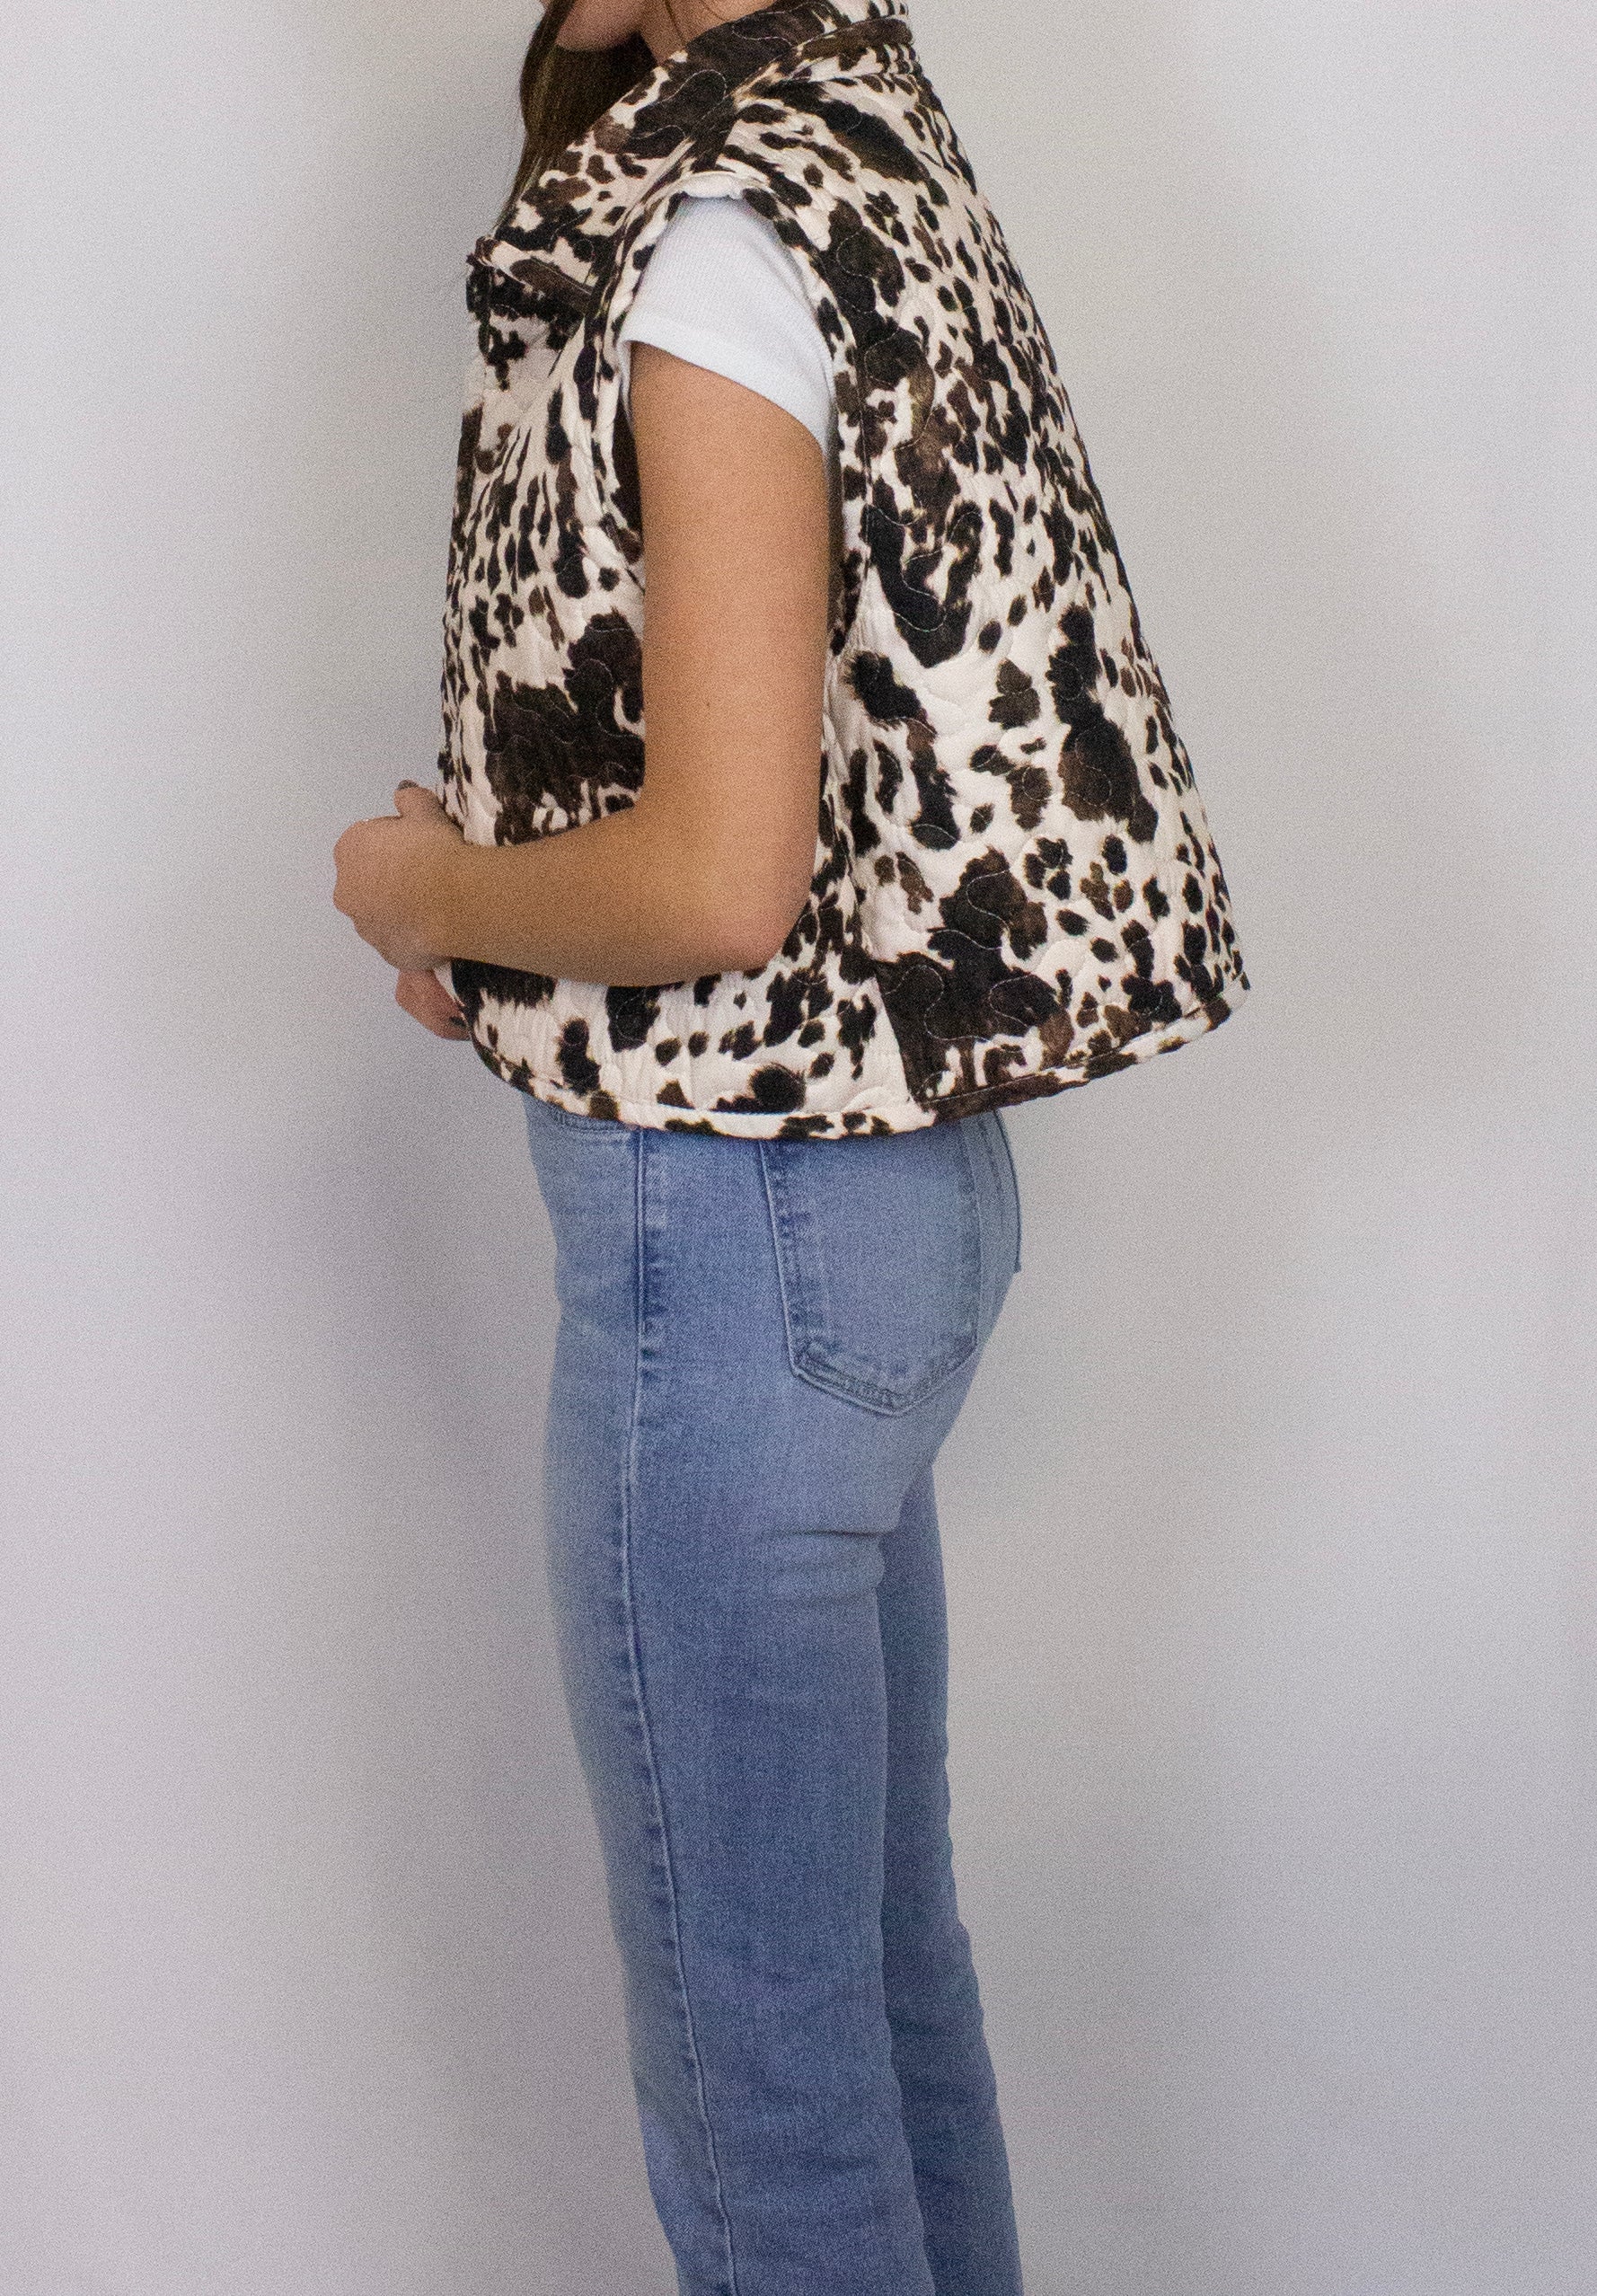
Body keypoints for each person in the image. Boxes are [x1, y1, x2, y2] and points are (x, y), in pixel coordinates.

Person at [331, 0, 1249, 2286]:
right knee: (866, 1994)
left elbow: (716, 886)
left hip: (733, 1233)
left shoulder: (715, 229)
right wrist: (503, 926)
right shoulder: (860, 139)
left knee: (765, 2087)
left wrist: (428, 892)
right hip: (876, 1204)